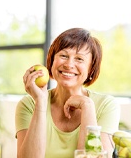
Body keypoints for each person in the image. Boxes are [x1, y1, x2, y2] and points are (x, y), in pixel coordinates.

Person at [15, 28, 120, 158]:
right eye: (63, 56)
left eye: (79, 59)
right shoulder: (29, 104)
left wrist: (87, 106)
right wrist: (41, 103)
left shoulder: (106, 105)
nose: (69, 64)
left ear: (91, 68)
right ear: (52, 60)